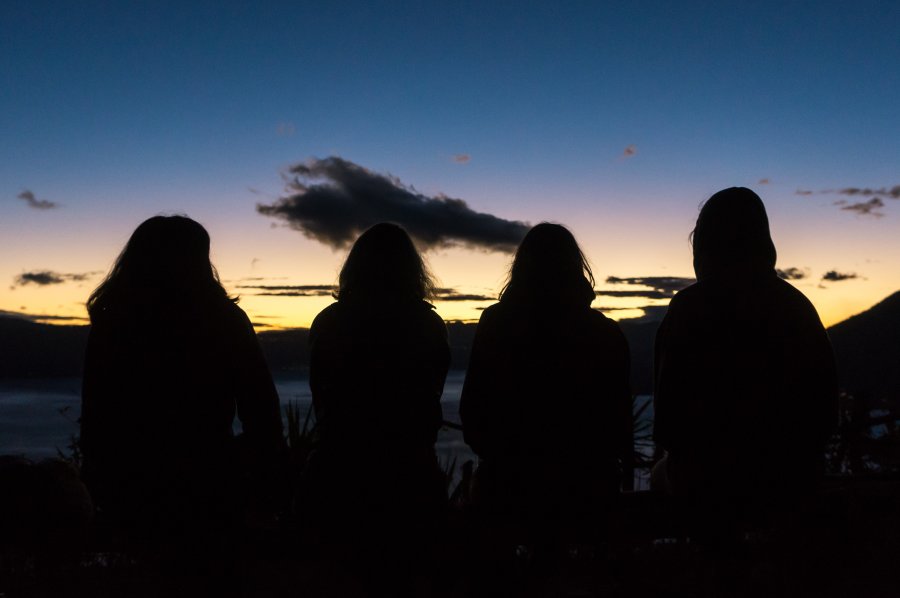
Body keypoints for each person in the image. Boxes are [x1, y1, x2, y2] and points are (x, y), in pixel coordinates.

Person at [80, 215, 284, 556]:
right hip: (212, 486)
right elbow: (262, 410)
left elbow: (96, 414)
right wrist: (263, 484)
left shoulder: (114, 322)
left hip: (130, 488)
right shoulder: (225, 319)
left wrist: (98, 486)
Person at [653, 187, 838, 531]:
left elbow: (668, 424)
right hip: (791, 483)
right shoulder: (798, 306)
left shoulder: (689, 308)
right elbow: (825, 414)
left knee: (661, 475)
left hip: (711, 487)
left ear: (704, 246)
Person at [459, 223, 633, 545]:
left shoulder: (495, 324)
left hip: (507, 487)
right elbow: (620, 430)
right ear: (576, 269)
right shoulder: (606, 333)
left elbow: (473, 419)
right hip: (588, 491)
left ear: (521, 268)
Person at [303, 222, 450, 591]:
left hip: (337, 475)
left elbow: (322, 398)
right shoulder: (428, 325)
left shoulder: (328, 323)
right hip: (412, 479)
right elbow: (431, 395)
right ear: (412, 270)